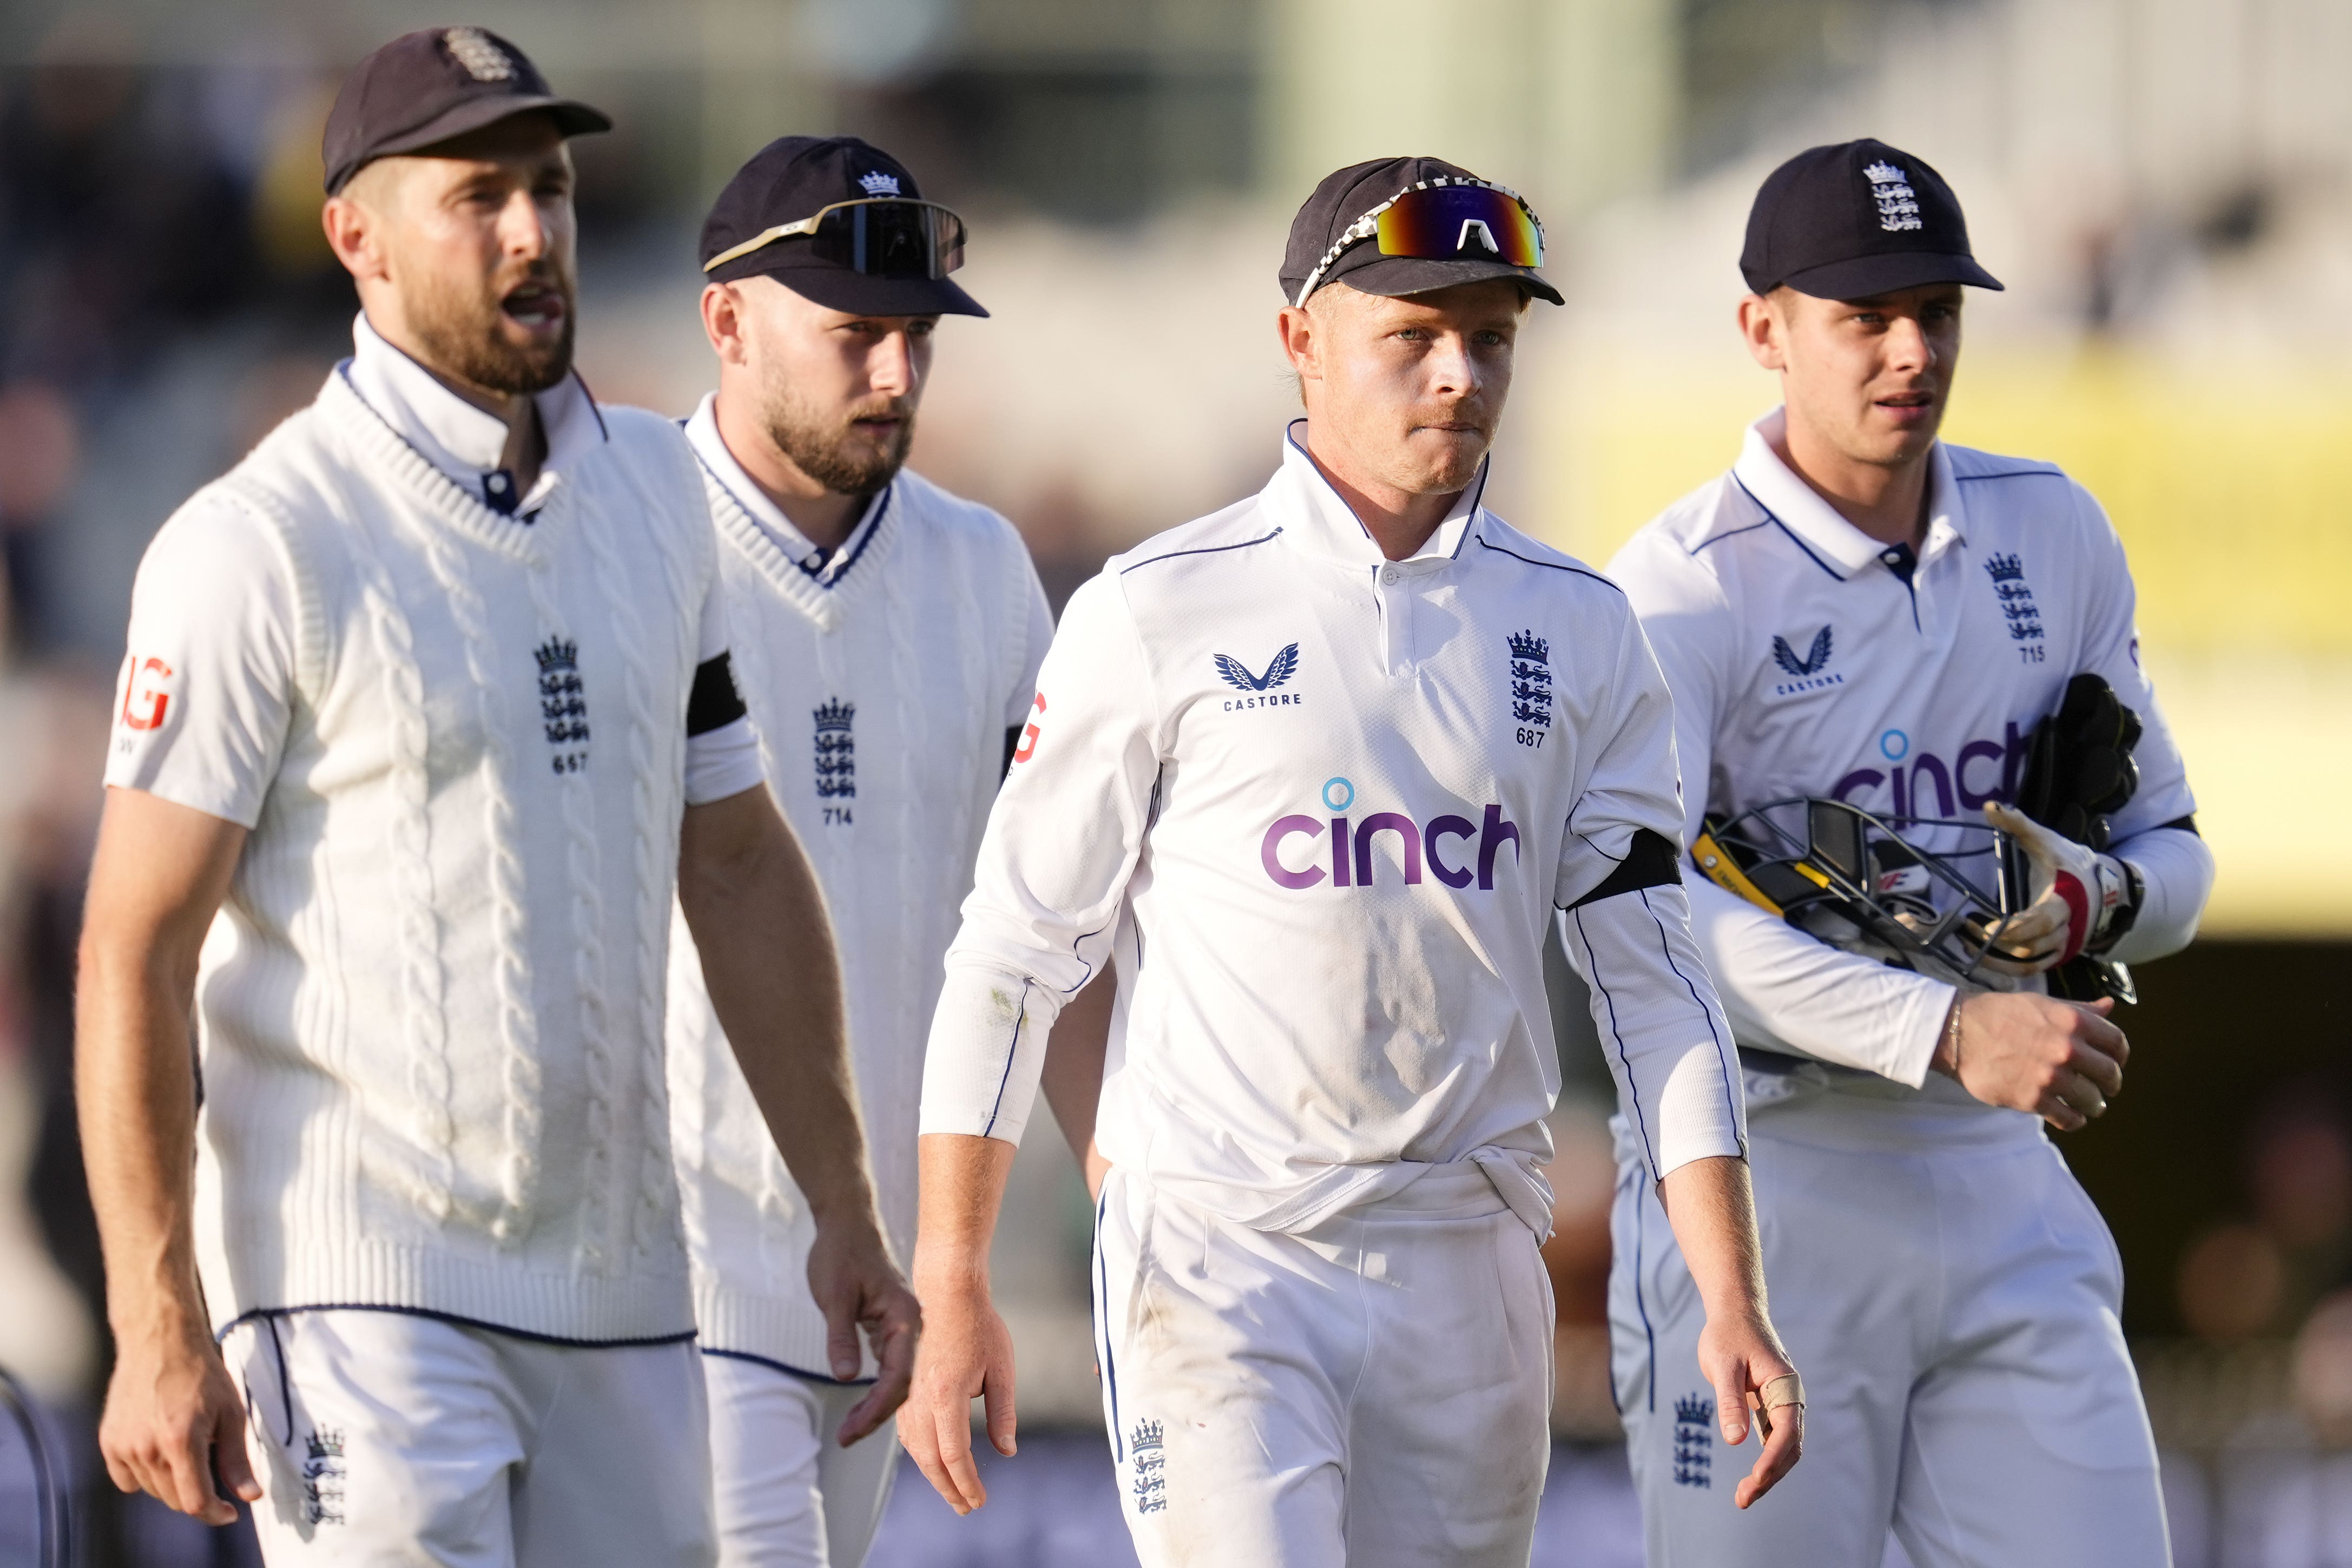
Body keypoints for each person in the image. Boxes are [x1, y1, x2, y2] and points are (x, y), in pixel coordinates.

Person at [76, 29, 915, 1565]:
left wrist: (843, 1207)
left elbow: (733, 861)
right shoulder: (259, 541)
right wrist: (154, 1315)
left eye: (550, 188)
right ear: (358, 238)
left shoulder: (665, 496)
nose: (532, 231)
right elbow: (133, 945)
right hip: (356, 1301)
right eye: (478, 196)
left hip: (626, 1301)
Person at [898, 155, 1805, 1568]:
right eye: (1413, 336)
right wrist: (949, 1272)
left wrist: (1726, 1287)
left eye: (1489, 337)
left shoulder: (1579, 630)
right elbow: (1014, 957)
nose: (1458, 373)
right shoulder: (1153, 609)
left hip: (1471, 1260)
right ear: (1299, 341)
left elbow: (1652, 980)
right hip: (1221, 1256)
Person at [1604, 139, 2213, 1566]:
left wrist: (2101, 900)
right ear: (1762, 329)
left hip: (2000, 1182)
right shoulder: (1677, 588)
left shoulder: (2049, 527)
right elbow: (1646, 921)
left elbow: (2173, 853)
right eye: (1861, 316)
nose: (1908, 350)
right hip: (1764, 1187)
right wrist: (1946, 1028)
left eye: (1935, 310)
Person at [669, 134, 1089, 1568]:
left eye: (916, 338)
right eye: (856, 336)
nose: (897, 377)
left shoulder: (983, 571)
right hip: (669, 1277)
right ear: (726, 320)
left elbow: (1060, 924)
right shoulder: (621, 544)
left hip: (880, 1288)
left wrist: (1127, 1200)